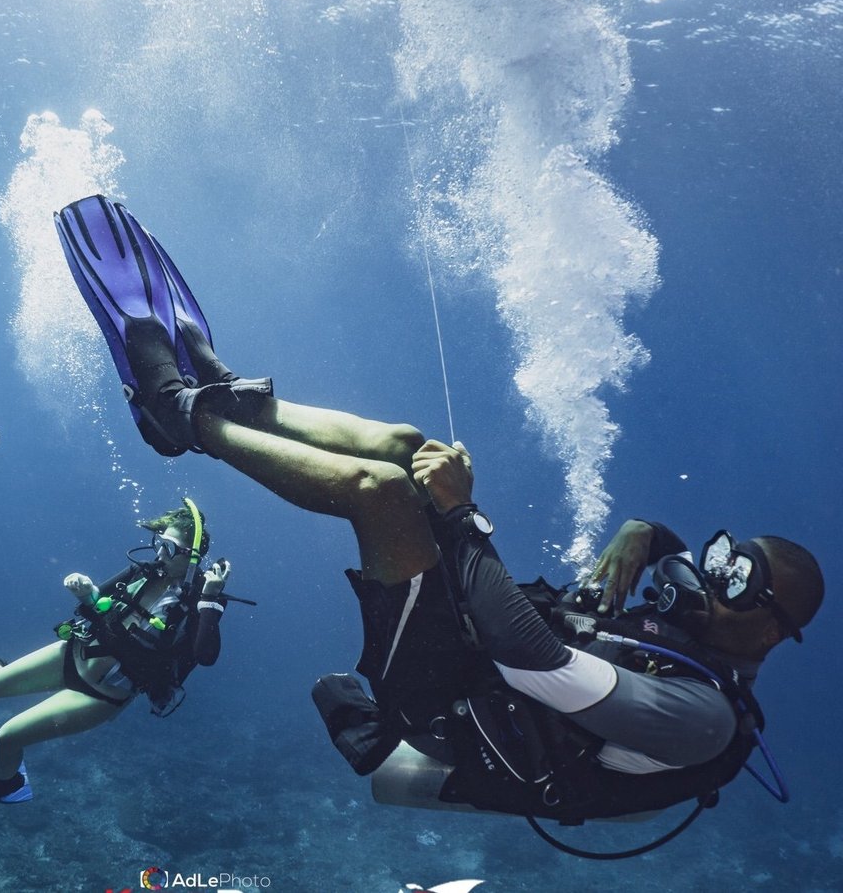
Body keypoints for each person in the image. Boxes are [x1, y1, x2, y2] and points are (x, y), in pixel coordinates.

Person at [53, 194, 825, 841]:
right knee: (406, 446)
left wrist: (459, 516)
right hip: (477, 654)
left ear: (769, 629)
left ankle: (184, 421)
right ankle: (247, 404)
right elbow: (651, 565)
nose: (711, 572)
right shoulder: (702, 638)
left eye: (737, 577)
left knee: (381, 490)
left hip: (447, 712)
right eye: (727, 552)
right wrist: (647, 530)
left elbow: (533, 663)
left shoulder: (704, 720)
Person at [0, 500, 240, 804]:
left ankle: (6, 784)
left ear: (191, 556)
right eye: (158, 542)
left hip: (101, 694)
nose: (159, 553)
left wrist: (211, 599)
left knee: (7, 737)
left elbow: (205, 655)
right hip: (74, 653)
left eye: (169, 548)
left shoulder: (203, 598)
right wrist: (87, 590)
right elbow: (91, 608)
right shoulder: (144, 572)